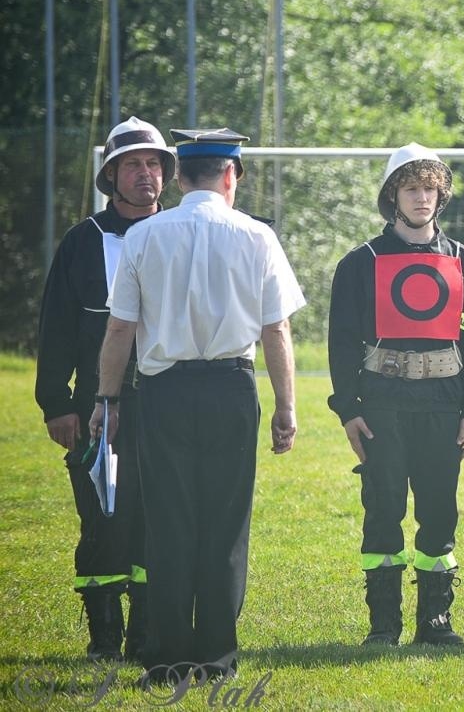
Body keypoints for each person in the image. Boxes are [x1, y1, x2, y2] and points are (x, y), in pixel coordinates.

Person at [89, 127, 303, 680]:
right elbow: (276, 330)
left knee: (168, 524)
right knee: (225, 524)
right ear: (231, 174)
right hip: (232, 389)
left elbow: (120, 330)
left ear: (179, 176)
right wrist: (286, 406)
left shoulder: (144, 236)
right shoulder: (257, 237)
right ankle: (216, 655)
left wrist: (106, 399)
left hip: (163, 392)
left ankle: (167, 655)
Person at [328, 144, 464, 646]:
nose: (422, 198)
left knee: (440, 508)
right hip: (382, 401)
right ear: (392, 195)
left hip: (443, 402)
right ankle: (383, 624)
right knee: (383, 506)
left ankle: (435, 622)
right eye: (411, 188)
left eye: (430, 188)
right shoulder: (361, 262)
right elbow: (340, 340)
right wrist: (348, 410)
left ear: (442, 196)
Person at [36, 117, 173, 661]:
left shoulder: (178, 233)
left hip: (166, 406)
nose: (146, 174)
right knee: (102, 520)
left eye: (155, 163)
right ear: (112, 175)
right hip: (99, 408)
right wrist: (58, 404)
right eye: (134, 164)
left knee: (156, 520)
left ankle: (145, 636)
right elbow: (57, 328)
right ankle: (103, 640)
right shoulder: (82, 241)